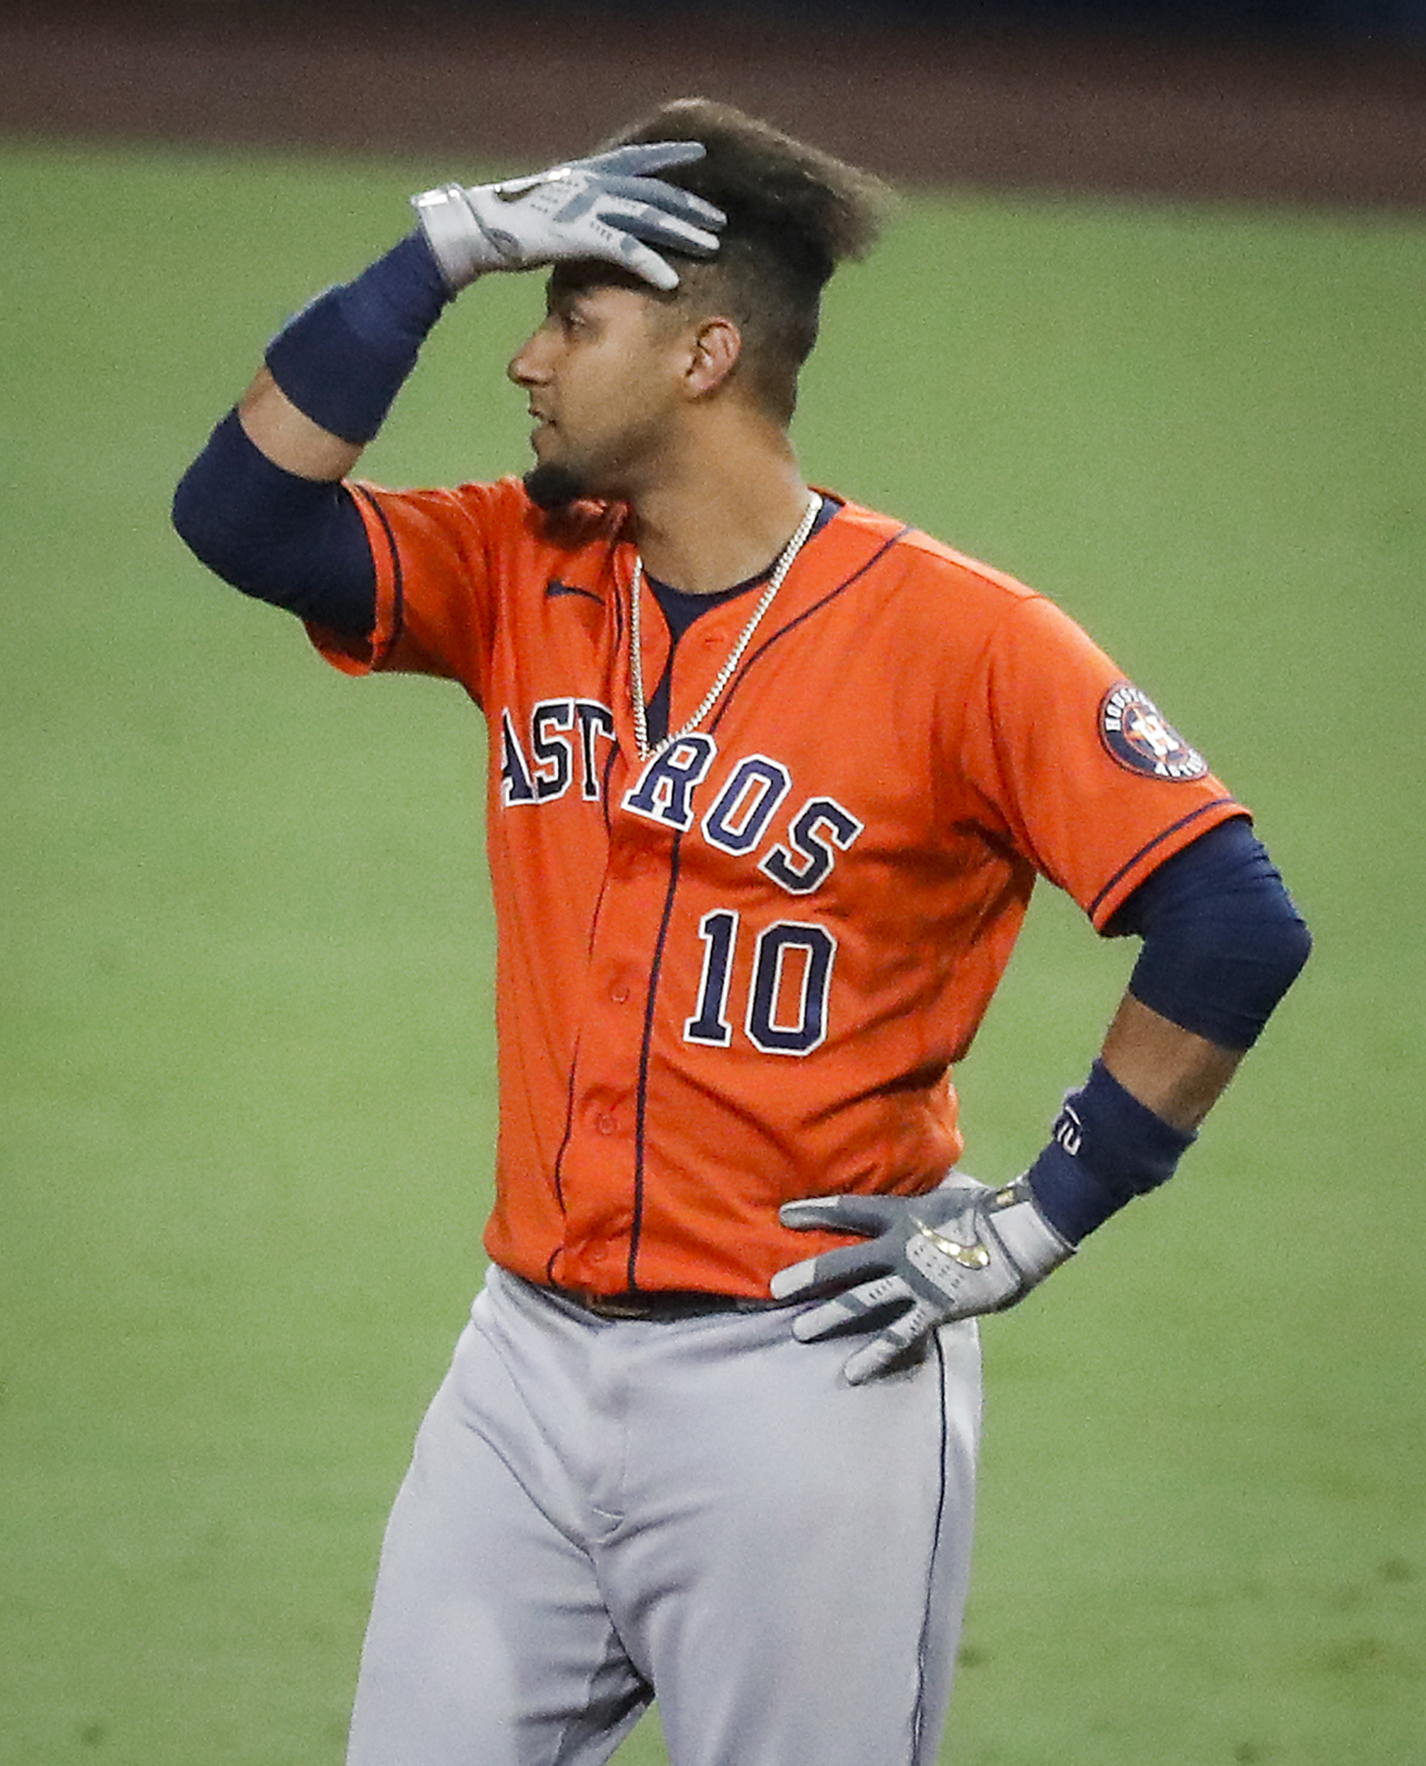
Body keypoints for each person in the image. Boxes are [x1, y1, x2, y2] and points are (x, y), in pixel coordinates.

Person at [172, 97, 1310, 1766]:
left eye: (569, 315)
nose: (527, 361)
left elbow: (1227, 920)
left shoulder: (962, 642)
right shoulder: (521, 565)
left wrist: (1039, 1216)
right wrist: (440, 248)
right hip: (522, 1371)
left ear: (704, 353)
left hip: (805, 1383)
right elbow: (240, 517)